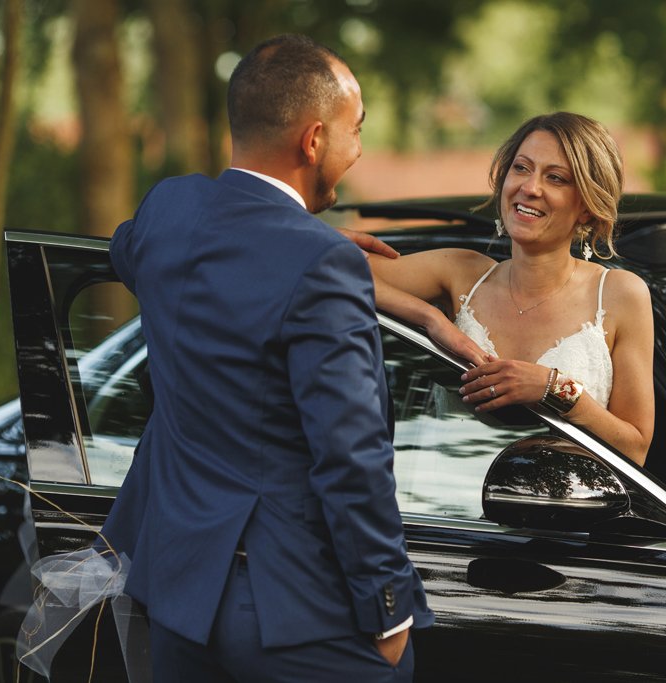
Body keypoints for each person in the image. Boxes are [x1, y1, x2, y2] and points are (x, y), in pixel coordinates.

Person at [100, 34, 431, 682]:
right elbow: (350, 455)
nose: (358, 149)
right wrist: (389, 607)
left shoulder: (169, 211)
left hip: (176, 597)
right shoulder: (324, 264)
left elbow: (127, 250)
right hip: (295, 613)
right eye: (354, 131)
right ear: (313, 142)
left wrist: (295, 234)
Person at [371, 112, 654, 466]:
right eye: (521, 168)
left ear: (585, 208)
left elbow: (636, 449)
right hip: (444, 514)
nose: (530, 187)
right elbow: (322, 262)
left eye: (555, 178)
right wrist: (430, 317)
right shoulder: (460, 273)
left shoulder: (619, 294)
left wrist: (554, 390)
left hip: (567, 516)